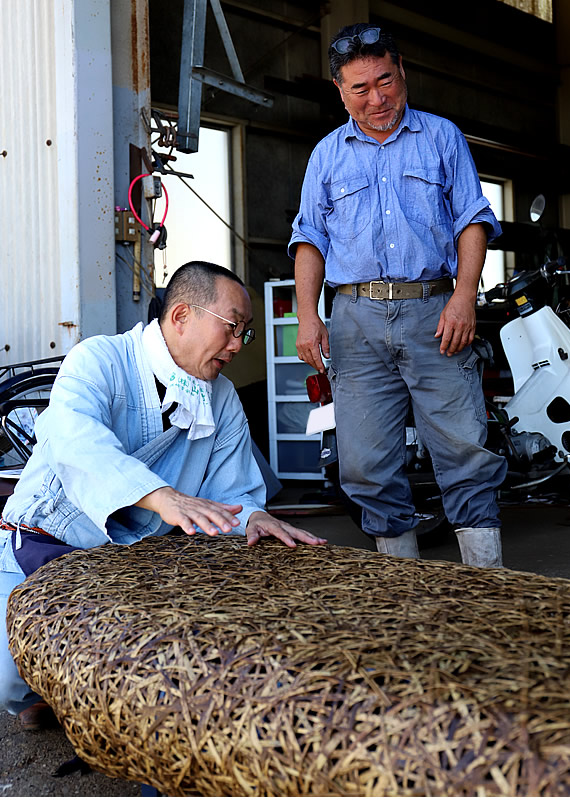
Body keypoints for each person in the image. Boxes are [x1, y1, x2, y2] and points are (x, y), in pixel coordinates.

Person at [0, 261, 326, 729]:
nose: (237, 345)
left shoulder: (224, 398)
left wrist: (252, 517)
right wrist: (159, 495)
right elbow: (74, 439)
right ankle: (36, 689)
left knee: (144, 678)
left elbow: (232, 491)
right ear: (180, 317)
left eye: (245, 334)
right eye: (233, 328)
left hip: (136, 561)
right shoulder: (100, 359)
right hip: (47, 537)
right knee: (12, 682)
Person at [289, 23, 507, 566]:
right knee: (364, 463)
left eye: (385, 81)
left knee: (462, 450)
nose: (377, 98)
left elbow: (472, 221)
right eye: (360, 89)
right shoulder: (326, 156)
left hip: (436, 311)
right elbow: (310, 239)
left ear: (401, 70)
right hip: (355, 321)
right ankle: (402, 593)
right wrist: (307, 315)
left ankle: (487, 585)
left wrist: (464, 297)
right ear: (339, 91)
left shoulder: (441, 136)